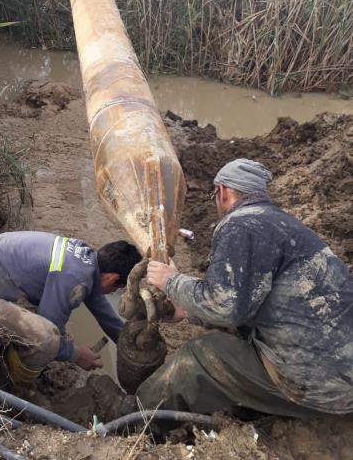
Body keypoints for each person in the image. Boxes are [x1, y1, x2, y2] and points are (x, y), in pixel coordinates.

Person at [138, 158, 353, 418]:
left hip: (317, 386)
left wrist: (171, 281)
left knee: (199, 358)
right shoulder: (283, 225)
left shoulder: (239, 224)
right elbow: (253, 301)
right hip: (343, 376)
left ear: (223, 191)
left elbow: (226, 307)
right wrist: (187, 312)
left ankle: (134, 421)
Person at [0, 231, 141, 387]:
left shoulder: (85, 258)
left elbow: (99, 306)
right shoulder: (76, 278)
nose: (112, 293)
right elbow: (49, 333)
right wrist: (76, 354)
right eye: (117, 288)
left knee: (48, 333)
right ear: (112, 278)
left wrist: (127, 343)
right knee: (48, 340)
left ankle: (13, 355)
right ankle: (15, 386)